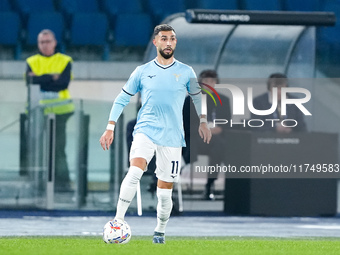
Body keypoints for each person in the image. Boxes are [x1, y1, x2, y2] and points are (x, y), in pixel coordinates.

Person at [99, 24, 211, 244]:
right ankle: (117, 221)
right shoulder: (142, 71)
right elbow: (122, 98)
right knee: (135, 170)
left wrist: (203, 121)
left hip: (172, 137)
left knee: (164, 192)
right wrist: (110, 126)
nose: (168, 43)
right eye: (164, 39)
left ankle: (159, 230)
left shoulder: (186, 71)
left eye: (172, 39)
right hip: (145, 131)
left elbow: (198, 97)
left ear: (175, 42)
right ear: (155, 42)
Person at [26, 29, 74, 191]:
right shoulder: (31, 61)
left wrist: (41, 78)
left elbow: (62, 83)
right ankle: (36, 184)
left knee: (58, 149)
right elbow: (30, 81)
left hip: (60, 112)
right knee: (36, 148)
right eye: (42, 42)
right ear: (38, 44)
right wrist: (52, 77)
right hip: (37, 112)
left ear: (54, 43)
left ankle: (62, 184)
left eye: (48, 42)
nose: (45, 45)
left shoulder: (64, 60)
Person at [183, 70, 231, 200]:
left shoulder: (224, 100)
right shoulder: (190, 100)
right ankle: (210, 185)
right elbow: (185, 124)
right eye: (206, 82)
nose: (209, 84)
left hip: (217, 139)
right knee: (220, 145)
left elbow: (227, 122)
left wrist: (219, 129)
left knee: (221, 146)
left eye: (212, 81)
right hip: (196, 139)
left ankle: (210, 183)